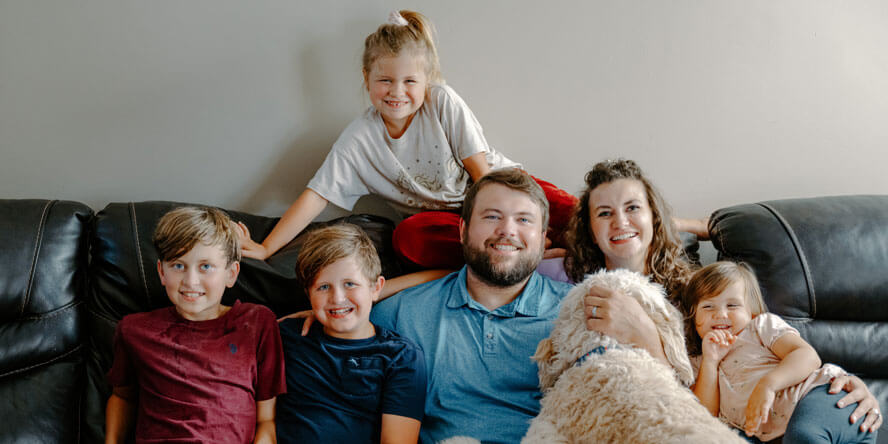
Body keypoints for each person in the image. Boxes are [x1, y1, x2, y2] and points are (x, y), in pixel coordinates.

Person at [237, 9, 577, 271]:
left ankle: (541, 244)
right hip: (449, 223)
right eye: (385, 80)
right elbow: (316, 196)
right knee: (408, 239)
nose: (397, 93)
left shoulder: (440, 101)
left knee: (573, 213)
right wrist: (266, 248)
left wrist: (503, 221)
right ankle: (518, 255)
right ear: (366, 78)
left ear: (425, 81)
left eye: (410, 82)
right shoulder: (360, 139)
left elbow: (481, 172)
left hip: (498, 192)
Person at [565, 158, 883, 437]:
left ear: (654, 216)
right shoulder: (573, 288)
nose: (620, 222)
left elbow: (766, 353)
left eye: (633, 207)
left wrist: (846, 385)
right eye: (604, 213)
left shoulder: (698, 294)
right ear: (590, 230)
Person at [371, 169, 571, 443]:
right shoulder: (401, 313)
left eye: (523, 219)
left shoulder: (579, 313)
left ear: (542, 237)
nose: (507, 231)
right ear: (463, 231)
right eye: (492, 216)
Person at [105, 206, 286, 444]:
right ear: (161, 272)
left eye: (206, 267)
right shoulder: (134, 330)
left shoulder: (257, 323)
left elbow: (266, 422)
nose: (191, 281)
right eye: (178, 266)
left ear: (231, 274)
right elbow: (122, 397)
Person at [680, 261, 877, 443]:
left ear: (752, 312)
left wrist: (768, 385)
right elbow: (705, 416)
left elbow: (807, 356)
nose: (720, 314)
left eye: (732, 305)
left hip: (823, 399)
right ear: (693, 314)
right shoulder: (699, 362)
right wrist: (711, 362)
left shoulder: (759, 327)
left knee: (802, 435)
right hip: (776, 433)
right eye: (707, 306)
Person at [275, 224, 426, 444]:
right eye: (323, 287)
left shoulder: (401, 357)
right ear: (308, 295)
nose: (337, 298)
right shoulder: (287, 336)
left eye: (349, 284)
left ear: (376, 288)